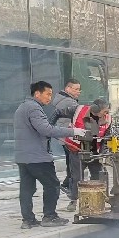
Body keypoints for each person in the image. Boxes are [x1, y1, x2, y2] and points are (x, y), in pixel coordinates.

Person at [14, 81, 85, 229]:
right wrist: (73, 132)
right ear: (37, 93)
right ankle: (50, 216)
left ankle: (28, 220)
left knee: (27, 189)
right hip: (38, 157)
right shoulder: (34, 108)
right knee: (52, 185)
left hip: (23, 157)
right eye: (47, 94)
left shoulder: (22, 107)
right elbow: (46, 130)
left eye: (51, 95)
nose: (49, 98)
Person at [59, 99, 111, 212]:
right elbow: (58, 113)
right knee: (76, 176)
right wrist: (51, 128)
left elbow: (106, 139)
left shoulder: (108, 119)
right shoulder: (78, 109)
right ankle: (73, 200)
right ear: (96, 109)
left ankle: (100, 199)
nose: (106, 114)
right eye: (104, 111)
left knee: (98, 175)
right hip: (76, 149)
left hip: (94, 151)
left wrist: (102, 153)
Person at [48, 79, 82, 196]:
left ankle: (67, 185)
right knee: (72, 165)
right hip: (68, 137)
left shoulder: (62, 99)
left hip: (64, 137)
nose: (79, 91)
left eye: (79, 89)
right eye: (76, 89)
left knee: (70, 163)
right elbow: (80, 114)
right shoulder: (69, 102)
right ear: (68, 89)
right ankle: (69, 187)